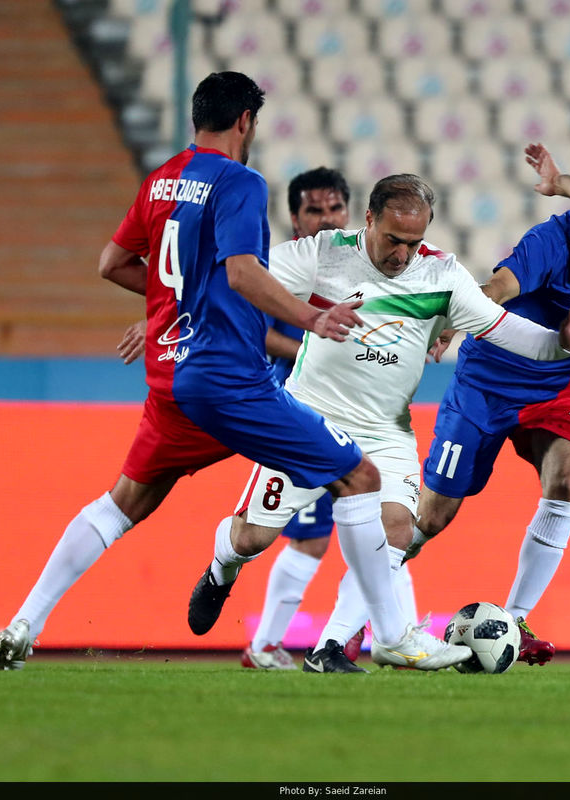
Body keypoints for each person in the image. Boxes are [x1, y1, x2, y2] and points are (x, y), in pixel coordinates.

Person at [0, 71, 468, 672]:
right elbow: (241, 273)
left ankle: (24, 624)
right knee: (361, 477)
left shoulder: (161, 181)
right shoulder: (240, 182)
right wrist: (310, 319)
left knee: (122, 504)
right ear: (246, 121)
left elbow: (112, 263)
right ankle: (394, 636)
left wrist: (172, 307)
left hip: (170, 378)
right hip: (231, 381)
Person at [189, 173, 570, 673]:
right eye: (392, 240)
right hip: (308, 420)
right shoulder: (324, 254)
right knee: (251, 539)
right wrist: (169, 318)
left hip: (386, 432)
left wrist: (564, 340)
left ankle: (362, 644)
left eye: (414, 242)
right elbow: (238, 279)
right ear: (369, 219)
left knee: (397, 528)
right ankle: (221, 569)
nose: (402, 255)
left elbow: (513, 334)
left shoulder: (441, 275)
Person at [404, 143, 570, 667]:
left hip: (555, 393)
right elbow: (498, 286)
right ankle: (365, 613)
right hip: (487, 385)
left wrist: (562, 178)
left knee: (567, 477)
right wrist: (450, 319)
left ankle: (515, 621)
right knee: (431, 518)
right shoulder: (549, 243)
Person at [241, 167, 371, 671]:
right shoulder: (278, 268)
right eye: (314, 210)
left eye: (334, 208)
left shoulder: (363, 263)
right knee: (288, 532)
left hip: (349, 408)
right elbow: (256, 333)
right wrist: (311, 350)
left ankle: (272, 645)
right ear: (294, 219)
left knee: (323, 532)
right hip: (294, 404)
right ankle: (380, 632)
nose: (325, 218)